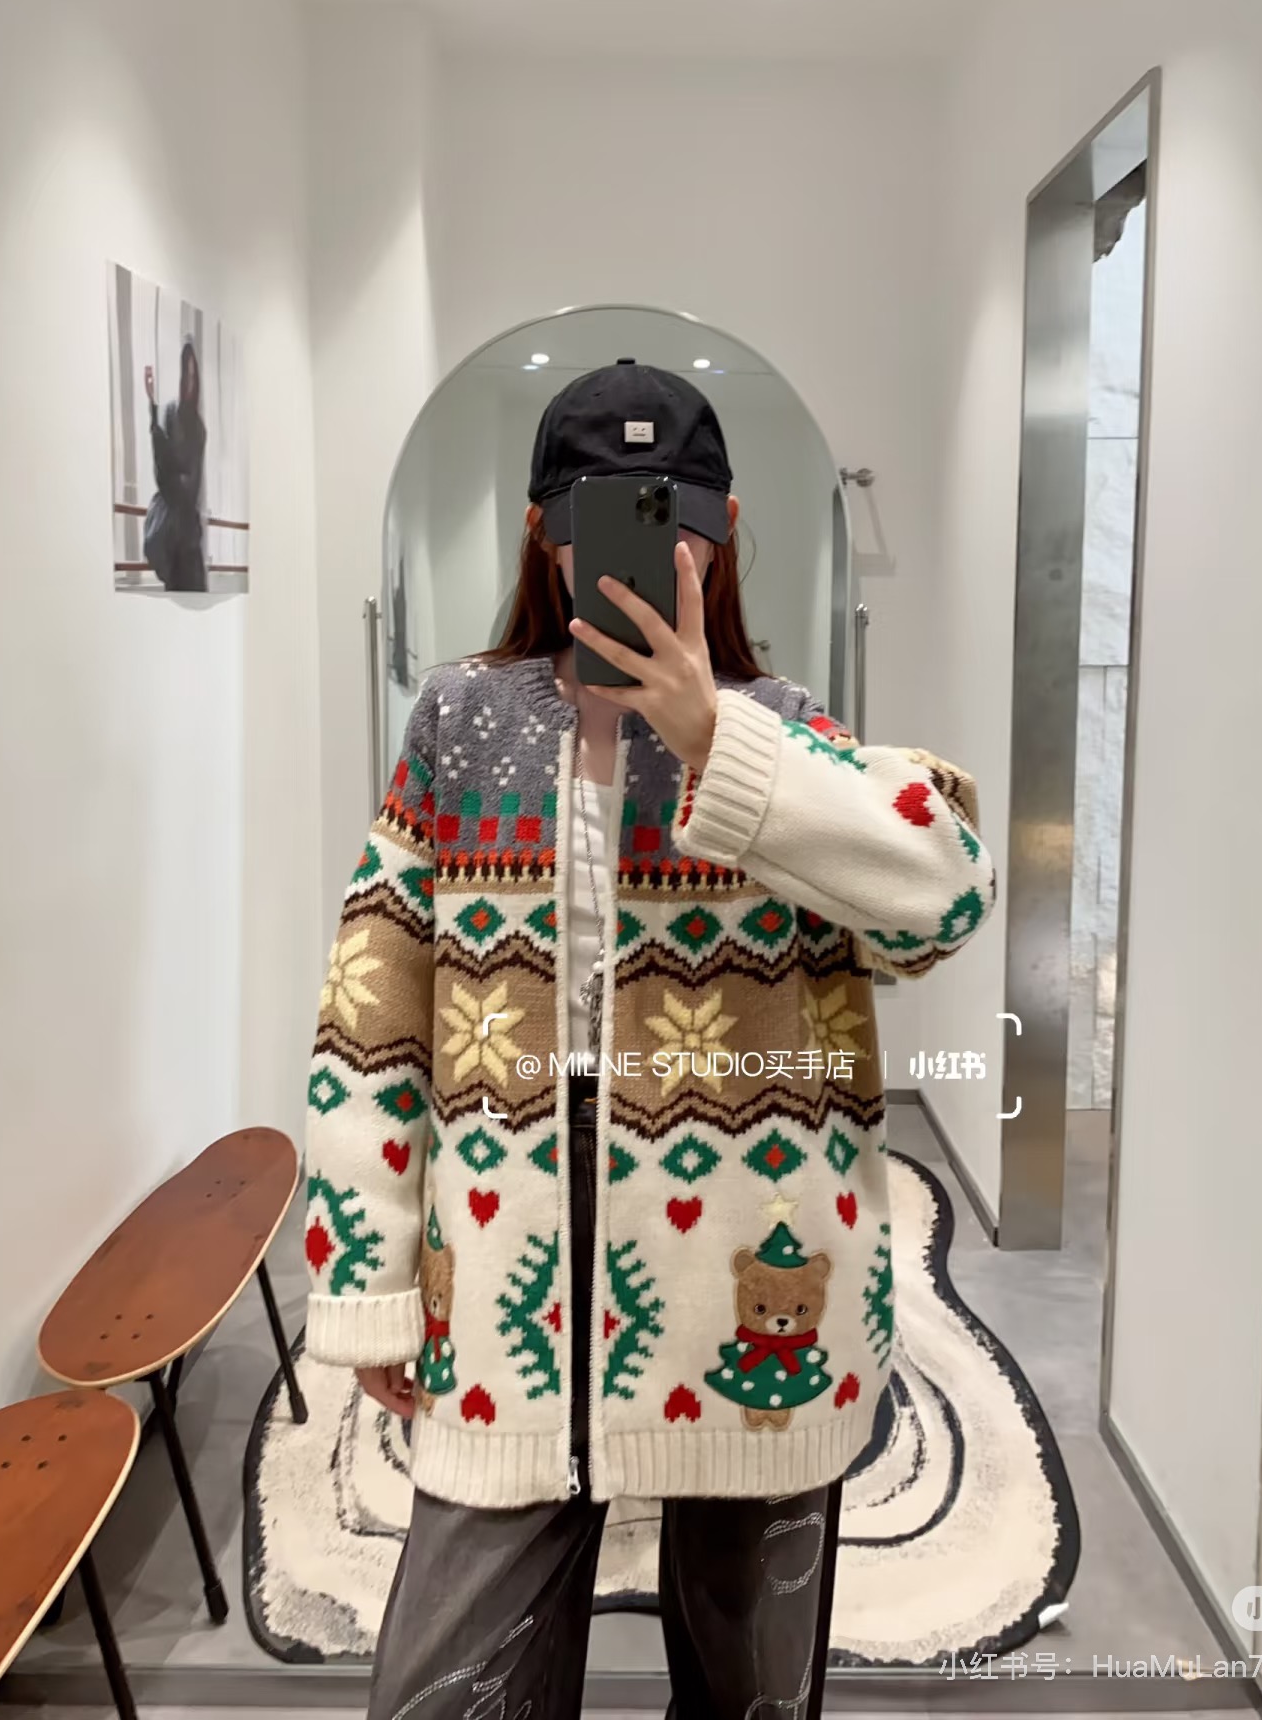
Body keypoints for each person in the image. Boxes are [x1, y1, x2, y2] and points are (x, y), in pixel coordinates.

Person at [302, 359, 998, 1720]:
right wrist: (372, 1275)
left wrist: (714, 736)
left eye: (676, 517)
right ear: (543, 532)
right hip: (505, 1236)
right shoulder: (460, 721)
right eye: (605, 516)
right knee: (446, 1684)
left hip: (753, 1253)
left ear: (723, 531)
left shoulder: (786, 735)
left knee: (752, 1690)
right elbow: (372, 1007)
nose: (649, 550)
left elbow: (949, 898)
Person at [143, 339, 208, 592]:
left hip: (189, 536)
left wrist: (178, 477)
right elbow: (163, 468)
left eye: (193, 376)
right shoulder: (171, 414)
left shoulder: (199, 428)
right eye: (186, 375)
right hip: (175, 538)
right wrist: (152, 405)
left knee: (195, 590)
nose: (190, 383)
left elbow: (191, 482)